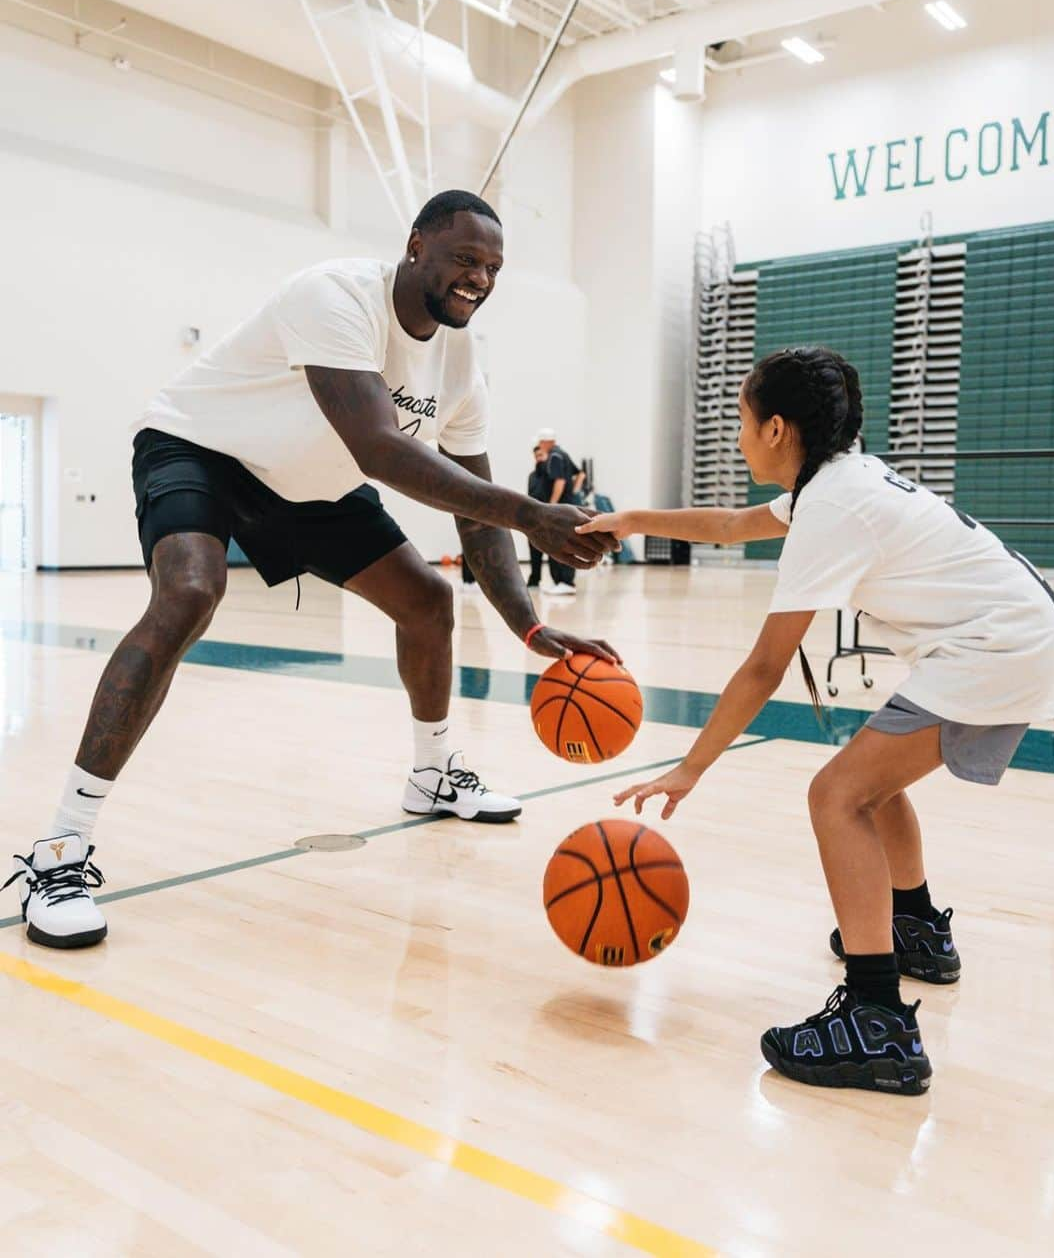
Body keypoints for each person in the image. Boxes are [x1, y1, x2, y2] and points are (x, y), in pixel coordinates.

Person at [4, 189, 620, 951]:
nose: (479, 279)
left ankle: (432, 774)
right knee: (192, 592)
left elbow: (474, 521)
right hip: (201, 450)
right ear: (416, 245)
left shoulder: (461, 367)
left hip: (310, 486)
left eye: (493, 267)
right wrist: (531, 515)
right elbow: (378, 448)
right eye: (465, 258)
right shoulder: (335, 295)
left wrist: (528, 626)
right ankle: (59, 852)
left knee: (428, 601)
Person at [578, 346, 1054, 1097]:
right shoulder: (838, 480)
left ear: (776, 428)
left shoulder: (832, 505)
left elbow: (764, 667)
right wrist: (634, 518)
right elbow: (736, 523)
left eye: (741, 420)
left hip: (995, 647)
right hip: (1013, 631)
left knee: (836, 796)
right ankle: (916, 929)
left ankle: (877, 1024)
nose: (738, 435)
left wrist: (691, 766)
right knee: (872, 784)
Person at [535, 428, 585, 594]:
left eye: (541, 442)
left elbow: (560, 481)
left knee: (559, 543)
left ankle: (565, 582)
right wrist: (575, 493)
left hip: (560, 508)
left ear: (546, 442)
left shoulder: (555, 456)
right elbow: (581, 474)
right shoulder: (563, 453)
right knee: (564, 542)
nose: (539, 445)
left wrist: (552, 504)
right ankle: (562, 582)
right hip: (568, 506)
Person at [526, 443, 551, 588]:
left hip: (550, 517)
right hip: (535, 519)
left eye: (541, 455)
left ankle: (560, 580)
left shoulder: (552, 475)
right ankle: (535, 579)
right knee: (534, 550)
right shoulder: (532, 476)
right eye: (536, 457)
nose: (538, 459)